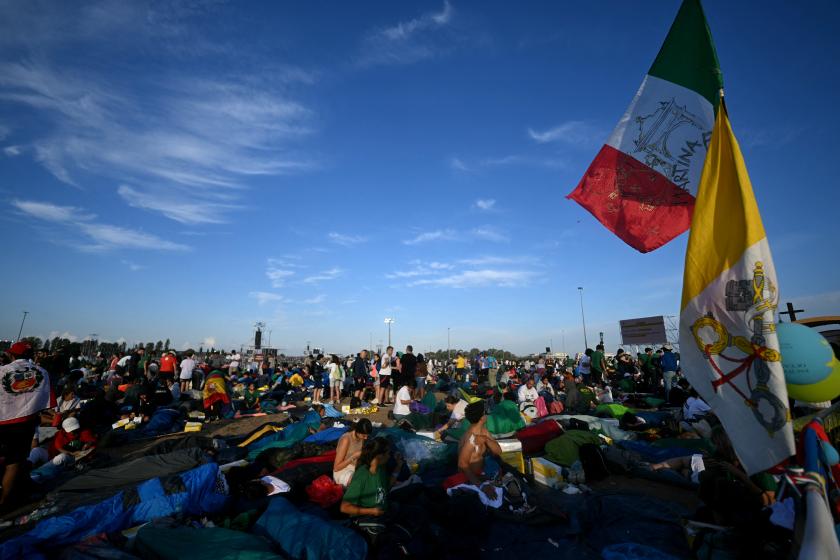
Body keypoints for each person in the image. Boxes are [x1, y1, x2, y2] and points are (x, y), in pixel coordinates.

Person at [0, 342, 53, 511]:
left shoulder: (2, 371)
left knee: (12, 462)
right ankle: (4, 502)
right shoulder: (42, 372)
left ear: (11, 355)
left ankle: (8, 497)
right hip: (24, 424)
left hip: (2, 421)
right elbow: (46, 402)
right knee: (15, 461)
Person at [340, 437, 403, 517]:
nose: (389, 456)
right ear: (379, 456)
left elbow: (387, 486)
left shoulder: (380, 469)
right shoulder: (362, 476)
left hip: (383, 511)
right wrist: (371, 511)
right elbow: (344, 507)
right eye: (388, 453)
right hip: (367, 518)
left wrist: (399, 466)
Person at [456, 401, 503, 499]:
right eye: (486, 412)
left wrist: (486, 440)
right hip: (470, 479)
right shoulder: (471, 438)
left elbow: (498, 451)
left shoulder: (484, 432)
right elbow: (462, 464)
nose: (488, 415)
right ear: (482, 418)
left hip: (481, 475)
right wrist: (482, 486)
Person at [333, 418, 373, 486]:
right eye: (364, 436)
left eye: (367, 436)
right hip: (342, 471)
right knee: (360, 481)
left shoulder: (361, 437)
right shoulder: (346, 439)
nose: (366, 438)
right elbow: (336, 468)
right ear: (358, 431)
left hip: (354, 468)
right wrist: (353, 457)